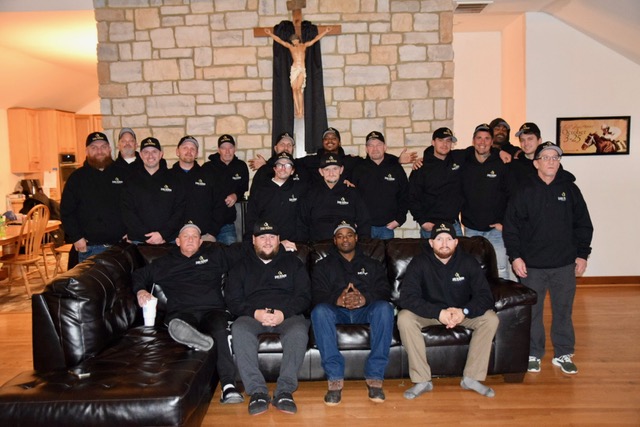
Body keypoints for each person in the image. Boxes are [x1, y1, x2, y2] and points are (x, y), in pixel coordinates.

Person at [503, 141, 593, 375]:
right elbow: (511, 227)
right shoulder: (524, 190)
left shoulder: (570, 189)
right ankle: (533, 353)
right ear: (536, 163)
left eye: (556, 157)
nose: (552, 161)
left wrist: (582, 255)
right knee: (532, 312)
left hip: (564, 264)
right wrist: (515, 257)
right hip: (531, 266)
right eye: (546, 157)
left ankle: (563, 353)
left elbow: (584, 224)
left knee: (563, 310)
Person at [131, 223, 243, 404]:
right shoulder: (165, 263)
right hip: (183, 313)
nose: (190, 239)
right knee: (180, 324)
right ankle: (193, 338)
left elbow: (244, 251)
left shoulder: (215, 255)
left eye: (194, 237)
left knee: (220, 329)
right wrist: (140, 291)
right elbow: (139, 275)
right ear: (177, 241)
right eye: (186, 236)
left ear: (200, 242)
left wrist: (277, 244)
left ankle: (228, 386)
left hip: (213, 311)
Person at [397, 222, 499, 399]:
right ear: (431, 243)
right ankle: (422, 380)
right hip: (430, 314)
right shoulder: (419, 262)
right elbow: (407, 297)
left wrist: (464, 312)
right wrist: (439, 313)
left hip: (462, 313)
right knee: (404, 318)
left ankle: (471, 378)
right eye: (439, 239)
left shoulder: (468, 262)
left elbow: (485, 296)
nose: (444, 243)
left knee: (490, 319)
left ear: (456, 242)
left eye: (449, 239)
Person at [225, 220, 311, 416]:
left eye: (272, 237)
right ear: (254, 240)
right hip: (252, 315)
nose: (267, 241)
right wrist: (255, 313)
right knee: (239, 329)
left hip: (287, 315)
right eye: (262, 237)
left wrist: (283, 313)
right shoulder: (241, 266)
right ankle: (257, 392)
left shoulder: (293, 263)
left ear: (279, 240)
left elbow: (304, 296)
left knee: (299, 331)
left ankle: (284, 391)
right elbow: (232, 300)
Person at [311, 220, 394, 405]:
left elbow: (385, 291)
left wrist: (365, 298)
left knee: (385, 308)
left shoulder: (372, 264)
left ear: (356, 238)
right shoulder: (323, 265)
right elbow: (316, 294)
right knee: (319, 311)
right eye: (340, 236)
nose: (345, 240)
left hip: (365, 310)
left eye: (349, 235)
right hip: (336, 311)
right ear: (334, 241)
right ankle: (334, 379)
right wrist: (337, 299)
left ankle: (375, 377)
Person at [61, 132, 127, 262]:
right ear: (87, 151)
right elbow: (66, 212)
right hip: (89, 248)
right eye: (94, 147)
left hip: (120, 246)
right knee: (91, 283)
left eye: (103, 147)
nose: (99, 151)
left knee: (120, 283)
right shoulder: (76, 178)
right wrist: (76, 237)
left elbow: (133, 205)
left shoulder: (123, 174)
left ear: (109, 149)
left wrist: (131, 231)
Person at [461, 124, 514, 279]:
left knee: (501, 269)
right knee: (474, 271)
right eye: (479, 138)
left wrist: (504, 223)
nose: (482, 142)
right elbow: (441, 153)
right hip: (471, 229)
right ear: (473, 141)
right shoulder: (464, 160)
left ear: (492, 142)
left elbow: (511, 195)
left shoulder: (501, 163)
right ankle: (480, 303)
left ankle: (501, 303)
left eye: (487, 138)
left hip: (496, 231)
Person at [121, 136, 185, 244]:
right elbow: (127, 212)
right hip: (139, 241)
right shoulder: (130, 181)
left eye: (154, 151)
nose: (150, 156)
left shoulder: (174, 179)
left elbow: (180, 211)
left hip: (168, 240)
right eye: (146, 152)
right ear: (140, 155)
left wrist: (162, 234)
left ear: (161, 154)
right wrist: (147, 236)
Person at [299, 152, 371, 241]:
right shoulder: (310, 194)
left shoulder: (352, 193)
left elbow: (364, 222)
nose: (331, 173)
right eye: (327, 169)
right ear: (321, 172)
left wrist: (363, 244)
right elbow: (302, 224)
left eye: (335, 169)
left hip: (346, 247)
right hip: (318, 247)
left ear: (341, 170)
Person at [351, 131, 410, 240]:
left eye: (378, 145)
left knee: (387, 257)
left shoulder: (395, 168)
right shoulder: (358, 169)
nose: (375, 148)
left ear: (385, 147)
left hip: (387, 227)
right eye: (371, 145)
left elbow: (405, 194)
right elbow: (352, 197)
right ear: (366, 149)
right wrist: (354, 220)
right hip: (364, 227)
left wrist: (399, 220)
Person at [408, 127, 465, 238]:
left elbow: (481, 148)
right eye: (441, 140)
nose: (445, 144)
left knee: (459, 255)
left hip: (453, 225)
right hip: (430, 227)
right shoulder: (421, 167)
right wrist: (423, 221)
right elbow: (412, 196)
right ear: (433, 142)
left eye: (448, 141)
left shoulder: (458, 158)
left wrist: (501, 151)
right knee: (429, 256)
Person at [265, 27, 332, 118]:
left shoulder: (304, 46)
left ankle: (301, 110)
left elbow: (315, 39)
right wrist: (270, 34)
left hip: (301, 69)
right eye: (292, 41)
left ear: (298, 40)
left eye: (295, 40)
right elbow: (280, 41)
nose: (294, 42)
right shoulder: (290, 47)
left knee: (299, 88)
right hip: (294, 68)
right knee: (294, 89)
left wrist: (325, 31)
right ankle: (297, 110)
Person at [244, 152, 307, 249]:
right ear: (274, 168)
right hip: (266, 245)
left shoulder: (300, 190)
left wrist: (299, 243)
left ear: (292, 171)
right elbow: (251, 220)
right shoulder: (260, 191)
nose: (283, 168)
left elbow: (303, 220)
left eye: (287, 165)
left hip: (292, 245)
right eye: (279, 164)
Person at [170, 135, 224, 242]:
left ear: (197, 154)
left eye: (192, 149)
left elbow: (219, 205)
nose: (189, 151)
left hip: (203, 237)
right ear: (177, 151)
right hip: (173, 238)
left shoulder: (209, 176)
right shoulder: (167, 177)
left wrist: (212, 233)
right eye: (185, 148)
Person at [203, 134, 249, 245]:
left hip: (227, 225)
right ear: (219, 150)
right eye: (223, 148)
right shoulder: (207, 168)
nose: (227, 151)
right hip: (208, 223)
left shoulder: (241, 166)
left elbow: (243, 187)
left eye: (230, 147)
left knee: (231, 258)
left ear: (235, 149)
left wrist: (236, 195)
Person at [510, 122, 543, 187]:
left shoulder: (549, 163)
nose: (526, 143)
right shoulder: (514, 166)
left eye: (530, 139)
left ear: (539, 141)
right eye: (522, 140)